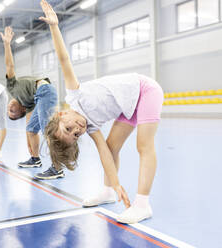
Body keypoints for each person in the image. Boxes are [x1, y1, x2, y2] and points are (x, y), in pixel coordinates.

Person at [39, 0, 164, 224]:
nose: (78, 130)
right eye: (75, 135)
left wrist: (54, 27)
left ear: (61, 114)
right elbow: (105, 154)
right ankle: (107, 191)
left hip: (145, 91)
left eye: (69, 128)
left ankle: (143, 204)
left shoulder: (74, 94)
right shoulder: (91, 126)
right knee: (111, 147)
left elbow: (63, 59)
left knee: (143, 145)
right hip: (128, 107)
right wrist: (116, 184)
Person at [0, 26, 63, 180]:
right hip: (42, 95)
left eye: (9, 110)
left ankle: (57, 168)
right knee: (31, 128)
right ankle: (35, 160)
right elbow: (29, 129)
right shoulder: (29, 105)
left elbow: (10, 66)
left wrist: (7, 44)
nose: (10, 108)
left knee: (47, 130)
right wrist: (30, 148)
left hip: (44, 91)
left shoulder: (12, 87)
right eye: (13, 113)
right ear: (22, 110)